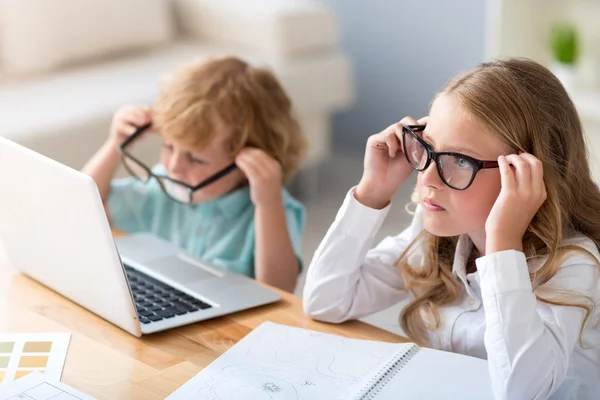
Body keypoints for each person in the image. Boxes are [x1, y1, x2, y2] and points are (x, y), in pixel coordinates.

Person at [303, 58, 600, 399]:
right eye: (428, 147)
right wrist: (372, 192)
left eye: (460, 160)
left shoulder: (573, 265)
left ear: (527, 173)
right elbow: (325, 300)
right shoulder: (438, 237)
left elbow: (521, 391)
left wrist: (504, 245)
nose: (427, 177)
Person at [83, 55, 307, 292]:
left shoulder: (270, 207)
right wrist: (115, 145)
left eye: (197, 159)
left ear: (248, 163)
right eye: (168, 147)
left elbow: (280, 287)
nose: (174, 167)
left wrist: (268, 204)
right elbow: (80, 206)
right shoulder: (163, 187)